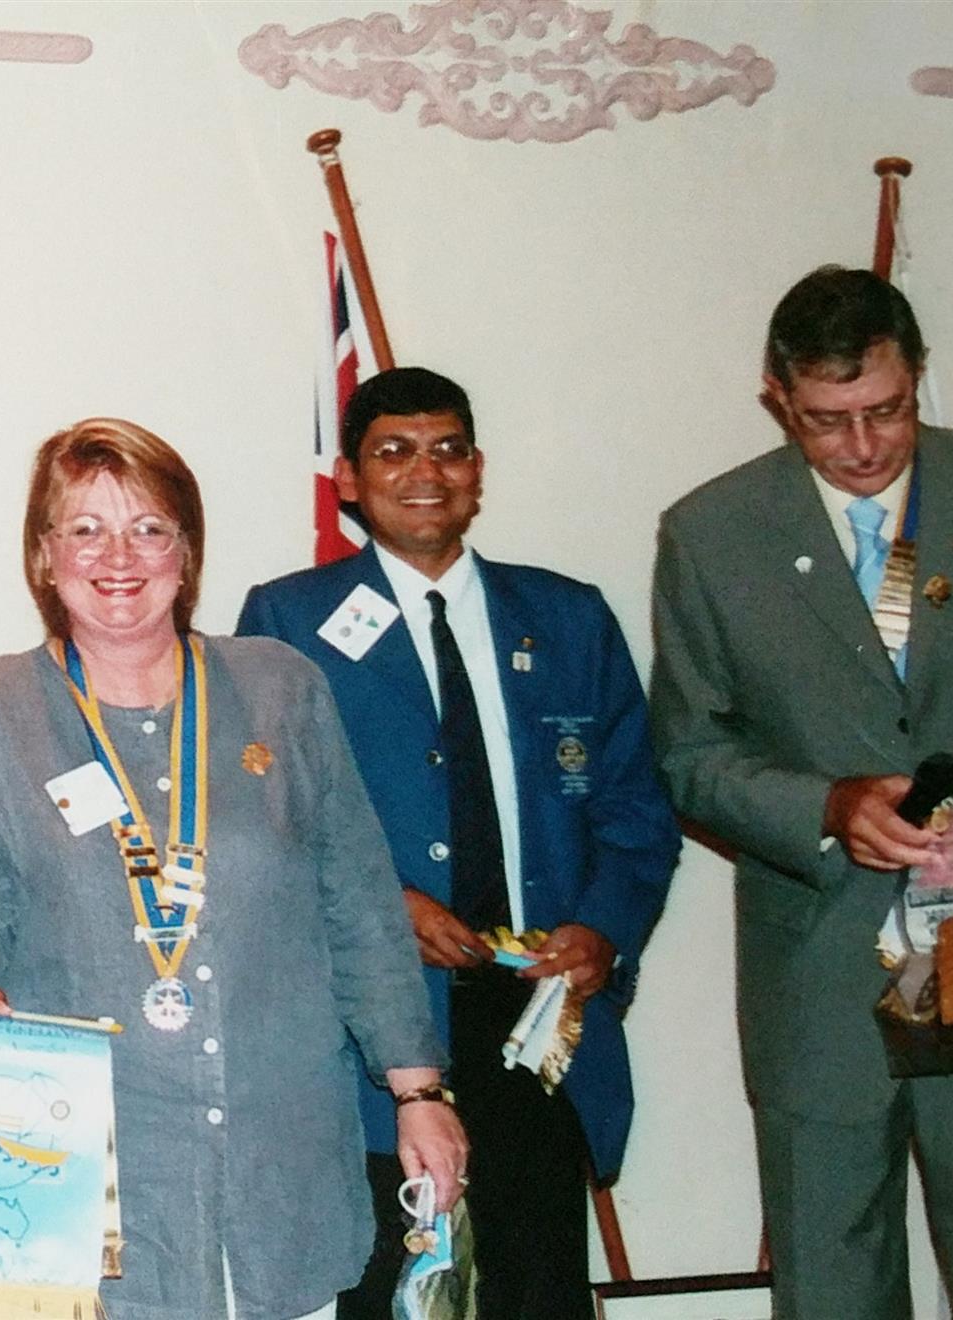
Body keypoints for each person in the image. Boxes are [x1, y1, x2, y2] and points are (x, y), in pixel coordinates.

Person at [0, 417, 465, 1320]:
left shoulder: (281, 688)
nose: (118, 556)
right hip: (83, 1186)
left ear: (187, 550)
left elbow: (359, 904)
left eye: (149, 528)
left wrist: (419, 1091)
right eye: (85, 529)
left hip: (284, 1170)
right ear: (44, 555)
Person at [238, 367, 678, 1320]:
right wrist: (385, 906)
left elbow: (637, 814)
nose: (424, 472)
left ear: (477, 470)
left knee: (539, 1293)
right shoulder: (287, 623)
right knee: (391, 1294)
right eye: (393, 452)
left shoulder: (568, 618)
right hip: (378, 1035)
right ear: (349, 480)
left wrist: (603, 931)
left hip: (538, 1024)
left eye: (447, 450)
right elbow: (267, 826)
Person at [649, 267, 953, 1319]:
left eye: (887, 410)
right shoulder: (711, 534)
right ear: (778, 399)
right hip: (820, 967)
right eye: (828, 421)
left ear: (917, 375)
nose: (865, 446)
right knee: (834, 1283)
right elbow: (690, 755)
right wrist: (829, 808)